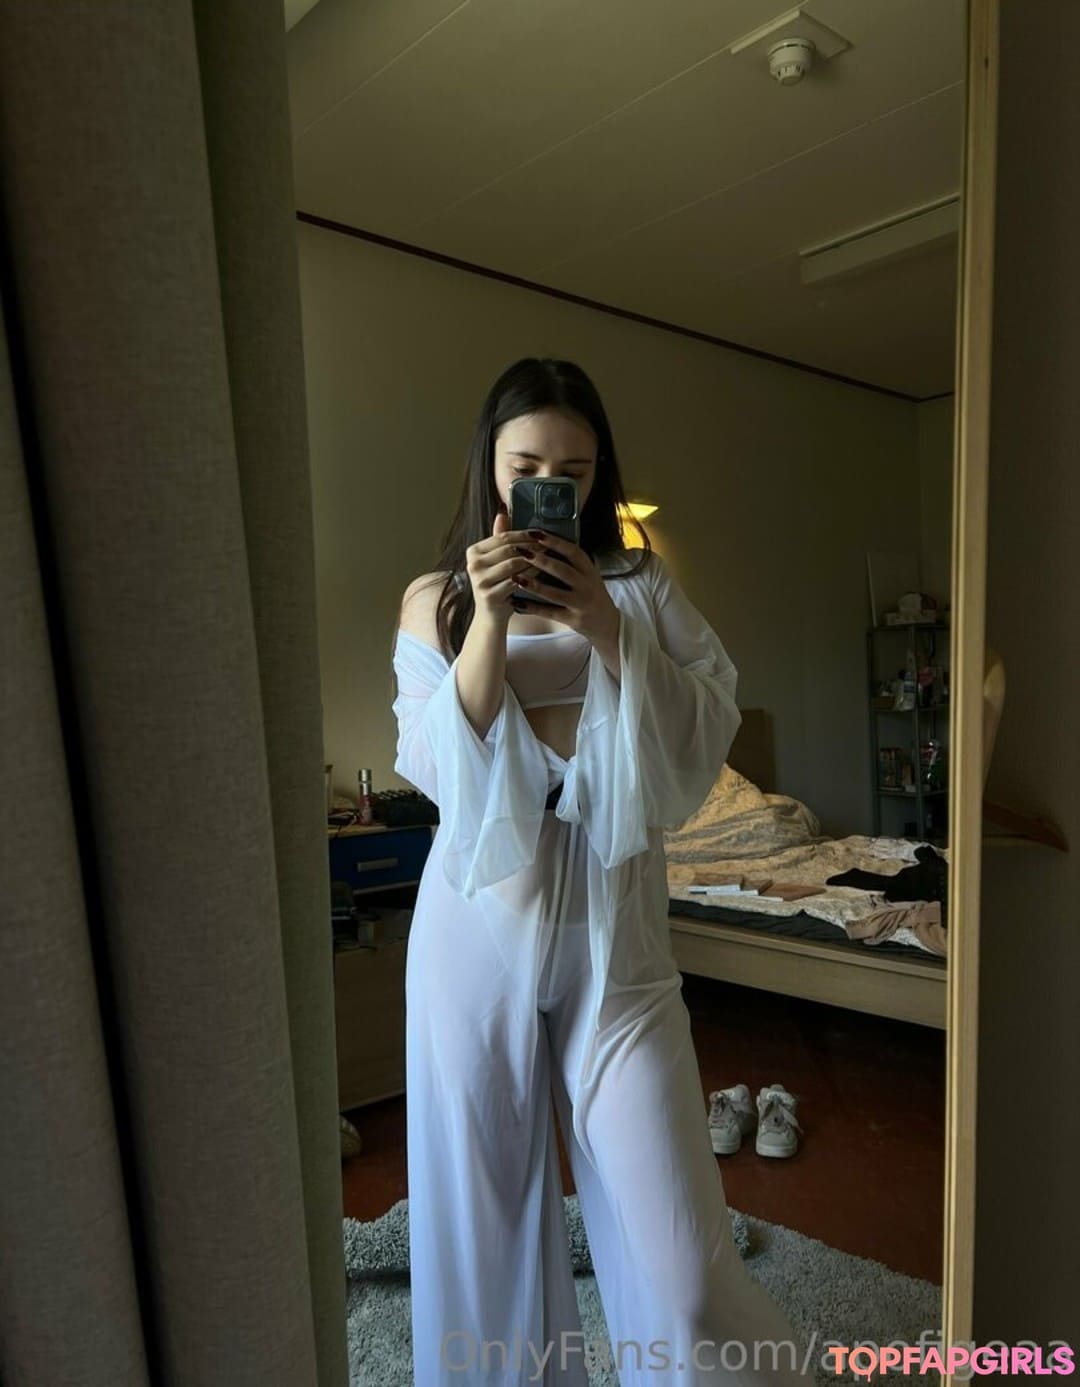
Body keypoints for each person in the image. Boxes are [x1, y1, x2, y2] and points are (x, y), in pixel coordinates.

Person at [390, 358, 807, 1385]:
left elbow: (704, 723)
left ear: (597, 476)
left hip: (617, 938)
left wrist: (606, 625)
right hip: (473, 930)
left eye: (571, 474)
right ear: (490, 466)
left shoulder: (639, 585)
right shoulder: (435, 600)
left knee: (686, 1264)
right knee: (481, 1236)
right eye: (526, 467)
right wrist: (491, 617)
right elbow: (439, 767)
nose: (549, 489)